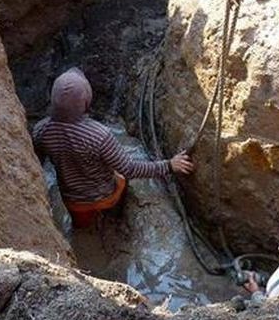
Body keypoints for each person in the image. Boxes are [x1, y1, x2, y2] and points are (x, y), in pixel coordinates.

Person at [33, 68, 194, 228]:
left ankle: (83, 229)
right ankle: (116, 218)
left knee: (81, 226)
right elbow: (130, 169)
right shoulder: (99, 135)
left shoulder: (40, 131)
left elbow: (35, 166)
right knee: (121, 179)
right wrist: (169, 165)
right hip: (105, 198)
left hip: (73, 203)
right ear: (85, 101)